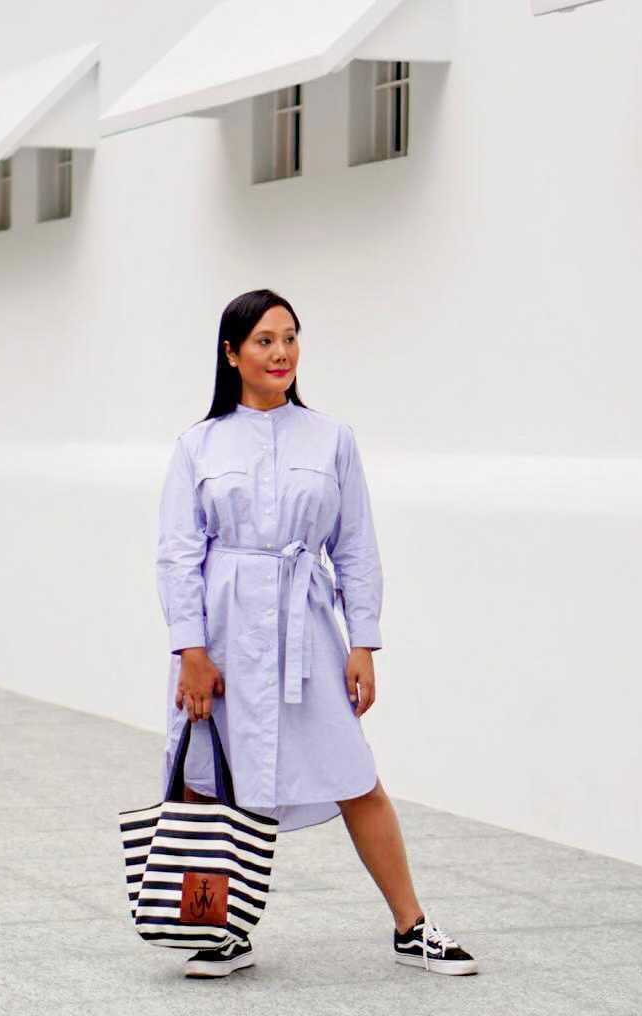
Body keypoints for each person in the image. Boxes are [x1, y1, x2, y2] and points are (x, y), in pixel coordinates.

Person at [156, 289, 478, 979]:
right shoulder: (198, 445)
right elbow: (178, 554)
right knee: (208, 780)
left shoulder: (332, 438)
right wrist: (191, 651)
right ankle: (218, 934)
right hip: (224, 632)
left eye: (291, 338)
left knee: (355, 776)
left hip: (307, 629)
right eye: (265, 340)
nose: (281, 353)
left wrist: (363, 640)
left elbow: (356, 545)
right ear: (231, 353)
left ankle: (411, 925)